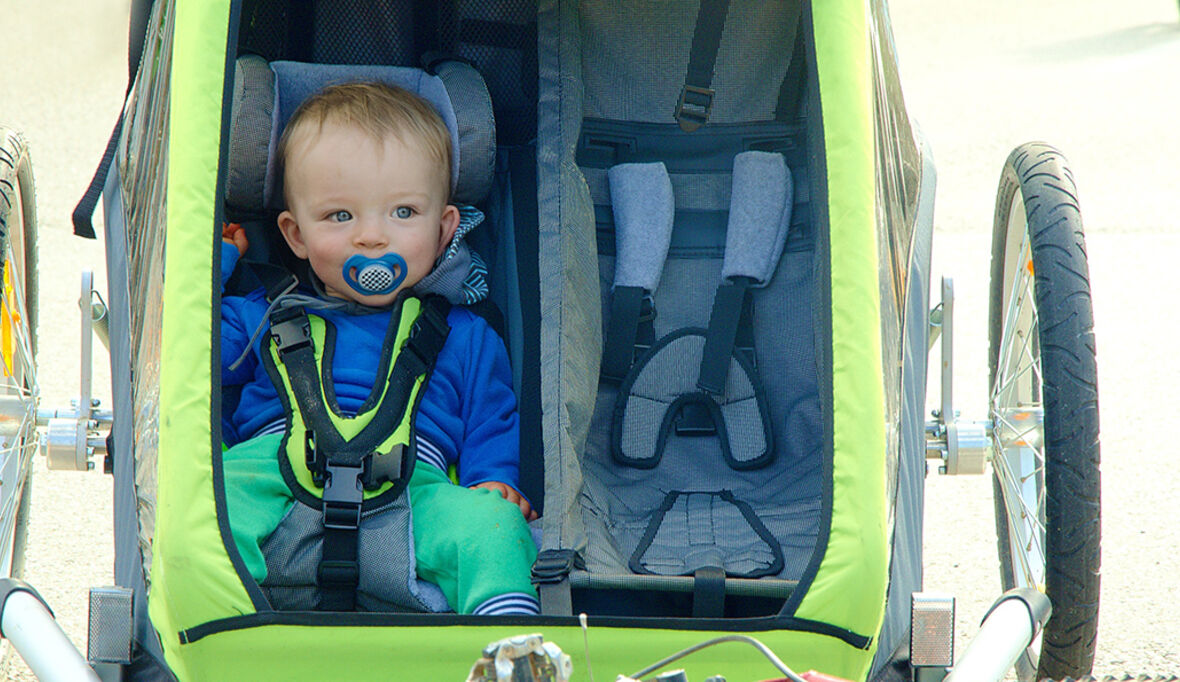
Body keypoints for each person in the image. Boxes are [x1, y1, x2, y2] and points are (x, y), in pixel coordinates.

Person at [219, 81, 539, 616]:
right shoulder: (261, 312)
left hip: (418, 488)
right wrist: (221, 264)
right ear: (295, 235)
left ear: (444, 230)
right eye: (340, 216)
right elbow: (190, 356)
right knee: (204, 508)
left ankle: (507, 644)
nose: (372, 237)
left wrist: (494, 481)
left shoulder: (464, 333)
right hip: (271, 471)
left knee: (494, 527)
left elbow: (490, 417)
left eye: (403, 213)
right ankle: (216, 626)